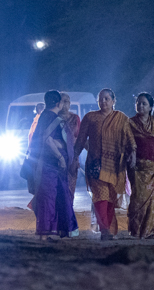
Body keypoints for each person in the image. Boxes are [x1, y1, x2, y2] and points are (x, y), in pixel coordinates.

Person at [76, 88, 135, 240]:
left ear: (114, 101)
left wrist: (132, 156)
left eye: (107, 99)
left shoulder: (121, 118)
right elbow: (80, 141)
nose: (103, 102)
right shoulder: (90, 118)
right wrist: (73, 157)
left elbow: (130, 140)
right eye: (101, 99)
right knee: (100, 197)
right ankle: (104, 230)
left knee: (111, 199)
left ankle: (108, 228)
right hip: (96, 165)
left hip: (116, 166)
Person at [29, 90, 77, 239]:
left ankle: (53, 232)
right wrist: (60, 157)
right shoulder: (51, 117)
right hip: (50, 165)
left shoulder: (43, 116)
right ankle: (45, 234)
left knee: (55, 198)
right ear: (59, 103)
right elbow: (47, 139)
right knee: (48, 199)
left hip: (52, 166)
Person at [128, 92, 154, 238]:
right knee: (138, 199)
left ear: (151, 107)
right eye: (138, 103)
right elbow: (126, 142)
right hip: (137, 168)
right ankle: (137, 230)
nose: (140, 105)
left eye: (144, 103)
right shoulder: (130, 123)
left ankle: (152, 231)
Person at [59, 90, 83, 236]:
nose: (65, 104)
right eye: (62, 101)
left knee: (69, 195)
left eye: (67, 101)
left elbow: (79, 140)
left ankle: (68, 227)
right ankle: (60, 227)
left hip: (72, 161)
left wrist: (76, 159)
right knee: (58, 195)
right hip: (55, 162)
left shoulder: (75, 118)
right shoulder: (53, 118)